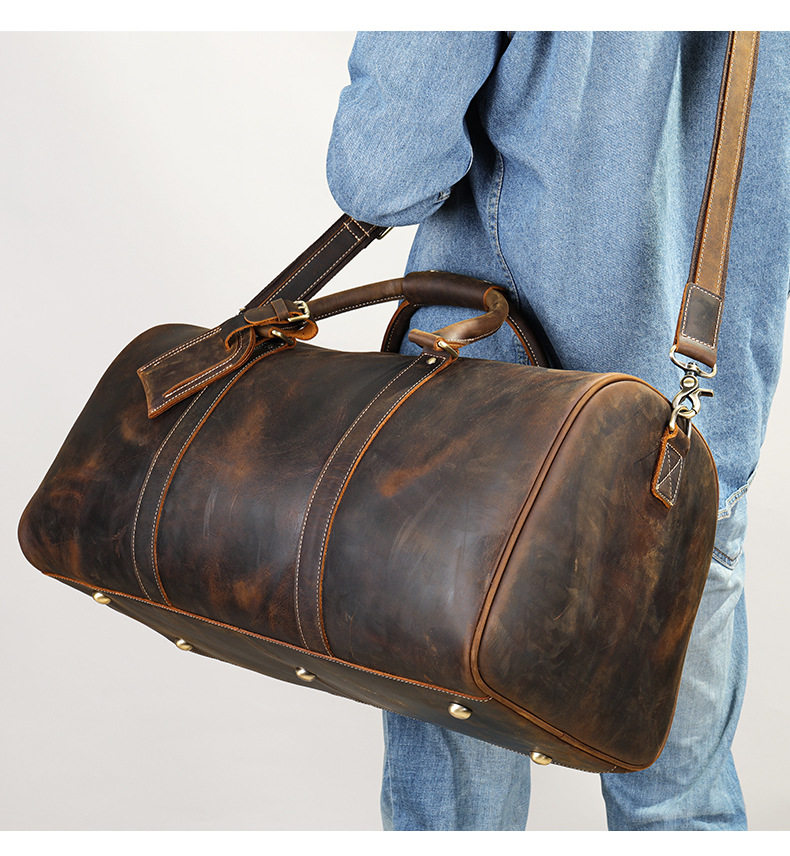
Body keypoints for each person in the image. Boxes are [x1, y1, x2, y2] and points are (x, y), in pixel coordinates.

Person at [324, 31, 790, 831]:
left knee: (457, 822)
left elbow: (383, 174)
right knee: (681, 808)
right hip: (687, 437)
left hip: (481, 434)